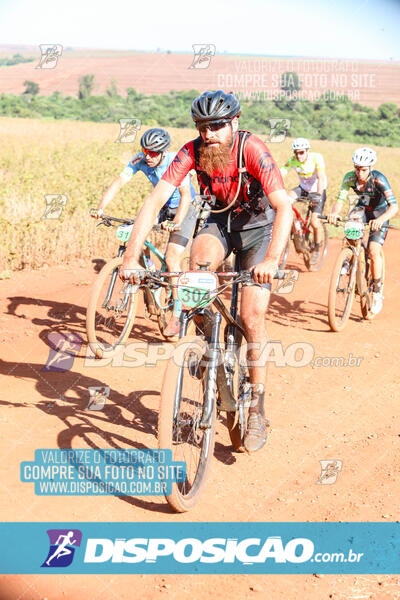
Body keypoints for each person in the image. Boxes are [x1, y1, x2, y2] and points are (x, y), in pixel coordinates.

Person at [120, 90, 292, 453]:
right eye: (202, 126)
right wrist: (130, 258)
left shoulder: (252, 149)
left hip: (261, 229)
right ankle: (207, 341)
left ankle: (257, 403)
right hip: (220, 224)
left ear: (234, 123)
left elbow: (284, 206)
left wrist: (272, 260)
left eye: (217, 125)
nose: (209, 133)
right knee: (195, 273)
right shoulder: (191, 151)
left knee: (251, 314)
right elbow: (153, 203)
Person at [92, 128, 198, 336]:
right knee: (137, 238)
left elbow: (185, 195)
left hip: (185, 209)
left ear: (163, 151)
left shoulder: (175, 161)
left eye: (154, 153)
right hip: (161, 206)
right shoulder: (140, 158)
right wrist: (101, 207)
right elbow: (119, 182)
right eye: (146, 151)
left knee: (172, 258)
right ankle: (150, 288)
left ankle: (177, 312)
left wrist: (176, 222)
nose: (148, 157)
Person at [328, 147, 397, 315]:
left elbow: (394, 206)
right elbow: (340, 199)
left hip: (380, 212)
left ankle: (378, 290)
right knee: (351, 223)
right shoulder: (349, 178)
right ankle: (348, 259)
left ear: (370, 168)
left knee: (373, 250)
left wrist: (380, 220)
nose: (359, 173)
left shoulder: (379, 179)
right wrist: (335, 213)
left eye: (364, 169)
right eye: (357, 168)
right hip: (363, 208)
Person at [280, 138, 327, 264]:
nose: (298, 155)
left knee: (314, 222)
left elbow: (321, 177)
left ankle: (317, 247)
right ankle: (294, 228)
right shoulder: (293, 160)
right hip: (303, 189)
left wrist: (318, 195)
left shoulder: (316, 158)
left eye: (301, 152)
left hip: (317, 190)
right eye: (296, 152)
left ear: (307, 151)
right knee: (284, 201)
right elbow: (281, 173)